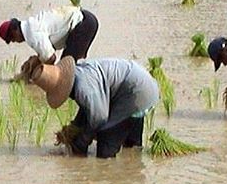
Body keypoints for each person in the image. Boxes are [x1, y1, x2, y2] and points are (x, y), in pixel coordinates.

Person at [31, 57, 159, 158]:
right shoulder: (80, 72)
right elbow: (89, 108)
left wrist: (81, 142)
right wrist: (76, 126)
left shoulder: (83, 88)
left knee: (105, 150)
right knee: (131, 149)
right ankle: (134, 166)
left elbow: (99, 118)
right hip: (141, 86)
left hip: (135, 94)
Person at [0, 5, 99, 66]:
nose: (15, 42)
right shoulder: (31, 25)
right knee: (71, 65)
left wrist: (36, 76)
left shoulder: (32, 34)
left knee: (66, 67)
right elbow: (48, 54)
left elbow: (51, 58)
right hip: (86, 19)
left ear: (14, 31)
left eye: (12, 39)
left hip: (83, 24)